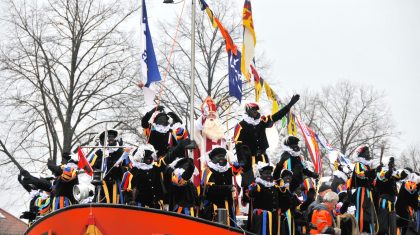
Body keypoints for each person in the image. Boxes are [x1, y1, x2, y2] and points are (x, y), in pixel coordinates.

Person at [199, 147, 241, 226]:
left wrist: (236, 163)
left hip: (228, 205)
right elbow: (209, 190)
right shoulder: (208, 170)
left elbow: (238, 170)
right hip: (214, 207)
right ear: (213, 158)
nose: (222, 158)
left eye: (223, 156)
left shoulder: (228, 169)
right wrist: (227, 188)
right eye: (219, 156)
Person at [193, 97, 227, 186]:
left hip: (220, 163)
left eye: (213, 116)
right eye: (209, 116)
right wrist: (205, 112)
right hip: (206, 162)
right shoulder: (202, 128)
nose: (211, 117)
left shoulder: (220, 131)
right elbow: (198, 126)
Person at [121, 144, 164, 209]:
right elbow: (126, 191)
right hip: (141, 208)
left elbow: (159, 186)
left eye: (150, 155)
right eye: (146, 155)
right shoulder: (132, 172)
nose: (149, 158)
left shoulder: (155, 168)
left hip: (156, 207)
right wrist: (130, 201)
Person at [347, 145, 378, 234]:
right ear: (362, 154)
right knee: (360, 212)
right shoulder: (359, 164)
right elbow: (360, 174)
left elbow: (371, 177)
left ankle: (368, 230)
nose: (368, 154)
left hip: (367, 191)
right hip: (361, 191)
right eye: (367, 152)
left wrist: (375, 171)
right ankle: (359, 231)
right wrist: (372, 172)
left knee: (368, 212)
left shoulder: (367, 165)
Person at [89, 130, 126, 204]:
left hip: (116, 182)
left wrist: (119, 169)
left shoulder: (121, 152)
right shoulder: (99, 153)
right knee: (100, 200)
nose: (110, 139)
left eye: (112, 137)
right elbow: (91, 166)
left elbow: (127, 168)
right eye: (108, 137)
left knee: (117, 201)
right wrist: (99, 166)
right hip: (102, 183)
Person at [248, 162, 283, 235]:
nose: (268, 176)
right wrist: (253, 189)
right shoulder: (258, 186)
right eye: (266, 173)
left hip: (274, 217)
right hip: (262, 218)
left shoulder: (274, 186)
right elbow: (250, 195)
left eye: (270, 173)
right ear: (261, 174)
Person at [375, 157, 408, 235]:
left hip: (392, 200)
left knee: (392, 222)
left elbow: (399, 176)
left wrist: (405, 173)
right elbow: (385, 177)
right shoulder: (381, 171)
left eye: (393, 163)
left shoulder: (392, 171)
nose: (393, 165)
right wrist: (390, 169)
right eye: (391, 163)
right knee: (383, 222)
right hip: (384, 200)